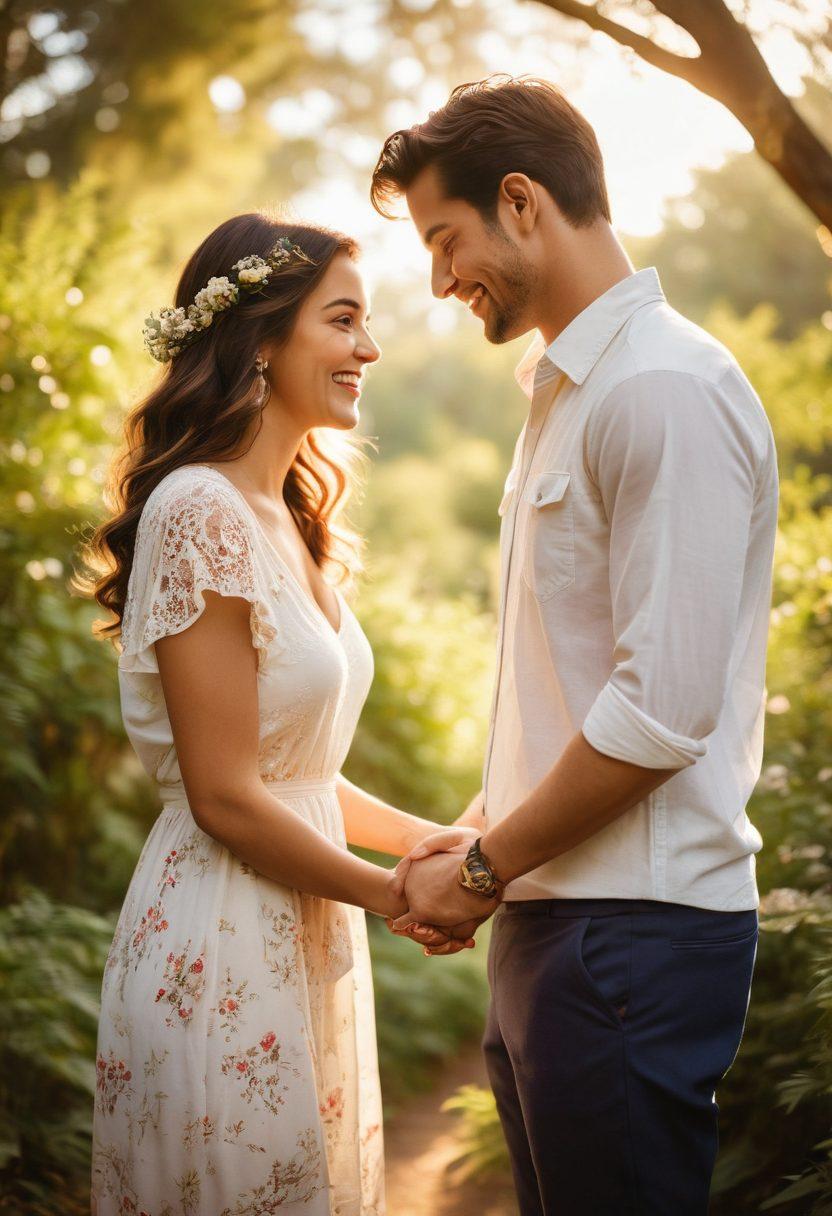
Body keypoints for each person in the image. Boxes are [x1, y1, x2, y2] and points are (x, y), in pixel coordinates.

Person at [374, 76, 779, 1215]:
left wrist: (488, 865)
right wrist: (475, 832)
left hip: (630, 934)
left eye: (444, 240)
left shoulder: (660, 389)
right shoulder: (566, 395)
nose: (439, 277)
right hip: (559, 925)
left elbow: (657, 714)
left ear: (520, 201)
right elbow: (575, 688)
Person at [85, 213, 487, 1216]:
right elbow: (224, 796)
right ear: (262, 338)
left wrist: (428, 842)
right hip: (220, 932)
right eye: (343, 320)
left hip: (304, 927)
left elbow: (296, 769)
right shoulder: (197, 511)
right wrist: (396, 895)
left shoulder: (290, 520)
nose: (370, 348)